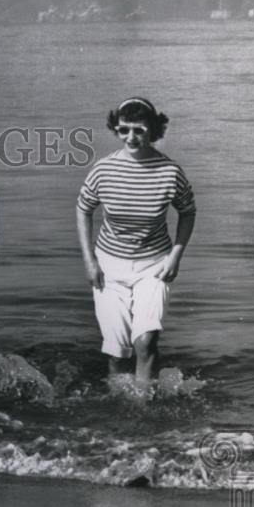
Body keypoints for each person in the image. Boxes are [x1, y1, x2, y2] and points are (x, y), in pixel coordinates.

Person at [75, 97, 196, 391]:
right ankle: (119, 407)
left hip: (154, 264)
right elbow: (83, 209)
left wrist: (175, 256)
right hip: (109, 265)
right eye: (123, 129)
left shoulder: (170, 172)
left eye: (139, 130)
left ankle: (145, 405)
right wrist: (90, 260)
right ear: (116, 129)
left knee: (146, 341)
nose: (131, 137)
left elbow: (188, 211)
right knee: (117, 350)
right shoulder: (103, 170)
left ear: (153, 130)